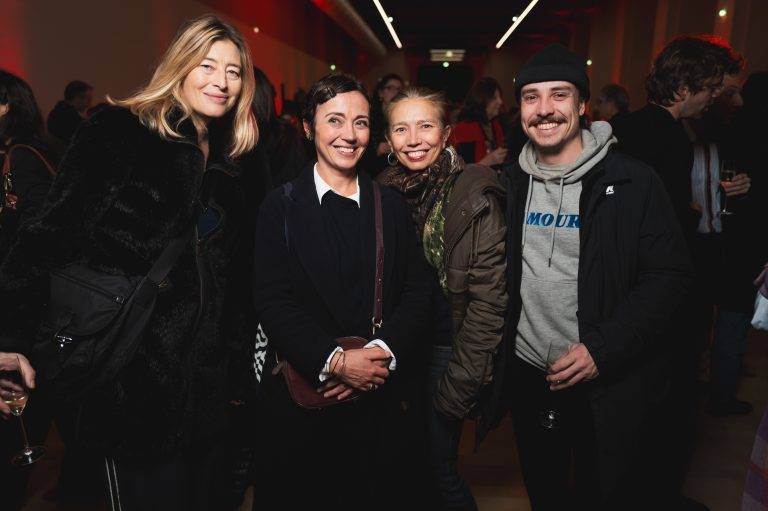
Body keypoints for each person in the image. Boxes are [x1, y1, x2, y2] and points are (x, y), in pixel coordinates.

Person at [0, 15, 258, 510]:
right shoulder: (121, 129)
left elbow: (230, 281)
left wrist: (235, 379)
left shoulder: (231, 161)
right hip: (125, 383)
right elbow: (48, 236)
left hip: (204, 396)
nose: (221, 82)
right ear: (180, 66)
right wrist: (9, 339)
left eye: (234, 71)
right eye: (207, 65)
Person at [496, 43, 691, 509]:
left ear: (582, 106)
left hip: (608, 377)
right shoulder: (508, 184)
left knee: (602, 492)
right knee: (544, 491)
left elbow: (670, 277)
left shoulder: (632, 181)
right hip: (529, 375)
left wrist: (601, 349)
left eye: (559, 95)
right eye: (531, 97)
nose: (544, 110)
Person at [252, 73, 431, 510]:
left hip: (375, 399)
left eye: (361, 123)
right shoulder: (281, 205)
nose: (349, 135)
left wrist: (379, 356)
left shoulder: (388, 203)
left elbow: (418, 289)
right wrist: (334, 362)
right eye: (334, 121)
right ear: (308, 128)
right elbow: (272, 299)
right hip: (303, 404)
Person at [612, 35, 745, 510]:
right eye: (711, 87)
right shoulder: (665, 136)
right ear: (687, 85)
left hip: (630, 291)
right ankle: (656, 495)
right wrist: (690, 217)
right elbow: (660, 224)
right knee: (666, 403)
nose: (715, 96)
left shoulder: (627, 128)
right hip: (658, 292)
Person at [377, 87, 507, 510]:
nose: (414, 139)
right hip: (394, 351)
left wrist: (463, 381)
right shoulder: (378, 192)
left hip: (443, 349)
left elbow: (489, 301)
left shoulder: (473, 194)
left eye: (425, 125)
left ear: (447, 132)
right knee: (398, 468)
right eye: (401, 128)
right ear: (389, 138)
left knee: (439, 468)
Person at [684, 70, 754, 416]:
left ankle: (712, 389)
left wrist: (745, 185)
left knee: (715, 317)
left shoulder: (727, 141)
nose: (736, 103)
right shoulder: (680, 140)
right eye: (727, 94)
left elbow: (731, 189)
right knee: (692, 322)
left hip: (718, 240)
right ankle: (691, 385)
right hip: (690, 242)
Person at [0, 70, 59, 259]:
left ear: (6, 107)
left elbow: (38, 214)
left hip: (21, 265)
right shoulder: (20, 146)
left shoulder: (23, 153)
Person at [452, 77, 508, 167]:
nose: (500, 102)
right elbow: (461, 173)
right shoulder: (464, 130)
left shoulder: (496, 125)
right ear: (481, 101)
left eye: (500, 97)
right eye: (494, 98)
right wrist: (487, 162)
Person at [361, 72, 404, 176]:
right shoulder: (369, 117)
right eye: (390, 88)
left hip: (398, 172)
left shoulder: (405, 117)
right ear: (380, 93)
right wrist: (378, 149)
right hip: (372, 172)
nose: (395, 92)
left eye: (398, 89)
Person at [46, 80, 92, 144]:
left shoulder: (56, 112)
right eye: (88, 99)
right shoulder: (72, 119)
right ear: (78, 97)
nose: (89, 104)